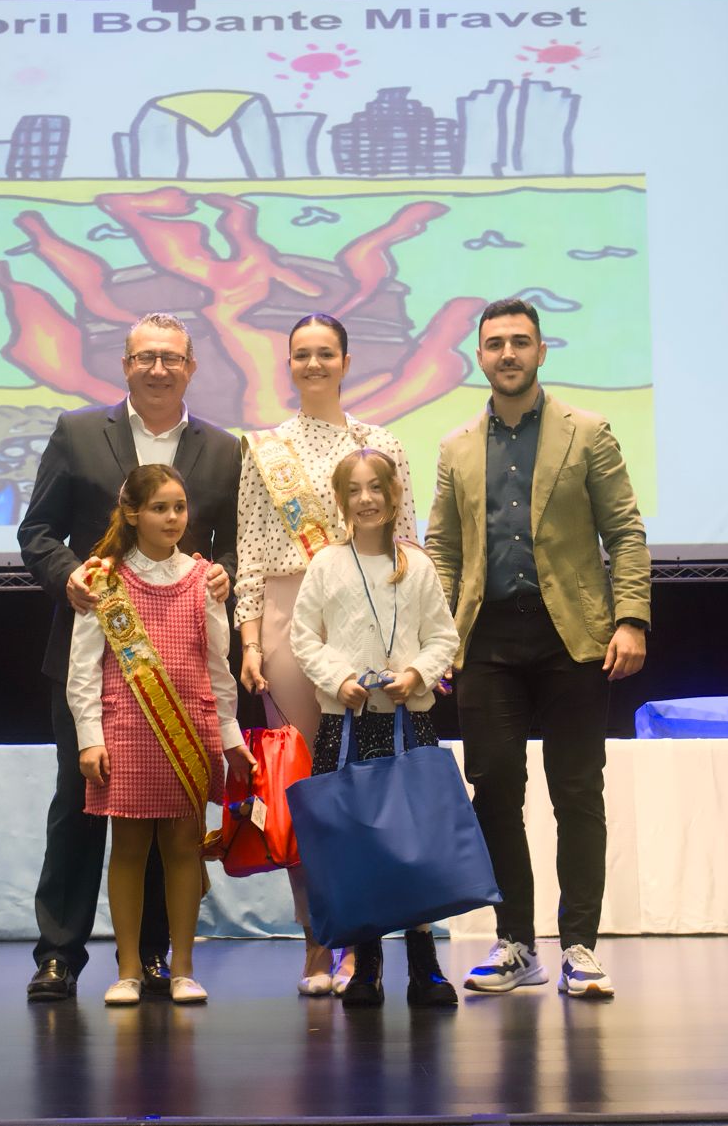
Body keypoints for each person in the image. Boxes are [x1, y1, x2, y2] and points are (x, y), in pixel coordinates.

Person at [424, 297, 650, 999]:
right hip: (486, 640)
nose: (508, 354)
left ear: (542, 351)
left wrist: (632, 619)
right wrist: (438, 638)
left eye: (520, 342)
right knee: (494, 790)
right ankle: (516, 943)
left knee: (577, 790)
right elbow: (442, 549)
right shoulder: (457, 446)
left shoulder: (589, 432)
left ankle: (580, 945)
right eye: (495, 343)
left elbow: (626, 532)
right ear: (479, 356)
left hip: (573, 638)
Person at [19, 313, 242, 1003]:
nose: (158, 368)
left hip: (180, 669)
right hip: (95, 666)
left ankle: (150, 956)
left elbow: (237, 546)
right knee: (80, 807)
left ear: (191, 368)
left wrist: (227, 575)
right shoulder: (78, 433)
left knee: (166, 812)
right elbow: (37, 532)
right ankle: (59, 954)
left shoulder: (224, 449)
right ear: (125, 365)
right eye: (146, 356)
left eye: (171, 358)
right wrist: (71, 578)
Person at [234, 313, 418, 995]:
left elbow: (407, 543)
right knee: (306, 788)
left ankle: (362, 946)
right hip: (289, 620)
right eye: (301, 354)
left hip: (369, 619)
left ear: (346, 360)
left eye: (325, 353)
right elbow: (251, 551)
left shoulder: (382, 444)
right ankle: (318, 943)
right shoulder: (264, 450)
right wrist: (250, 640)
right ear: (289, 363)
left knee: (364, 783)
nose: (313, 364)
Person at [68, 464, 253, 1005]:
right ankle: (127, 969)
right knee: (127, 849)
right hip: (125, 730)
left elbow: (218, 667)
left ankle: (183, 969)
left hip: (189, 731)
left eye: (179, 507)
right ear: (131, 514)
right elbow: (83, 668)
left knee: (183, 848)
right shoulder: (104, 580)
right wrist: (89, 736)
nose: (173, 518)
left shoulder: (205, 579)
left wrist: (230, 735)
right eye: (159, 508)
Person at [289, 448, 461, 1008]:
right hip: (347, 726)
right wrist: (339, 679)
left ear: (394, 495)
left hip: (408, 725)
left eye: (376, 488)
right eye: (354, 490)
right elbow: (304, 638)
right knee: (356, 842)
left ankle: (424, 964)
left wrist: (417, 674)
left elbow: (444, 637)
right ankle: (365, 964)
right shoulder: (325, 565)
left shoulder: (418, 565)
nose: (366, 499)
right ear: (341, 501)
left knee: (417, 843)